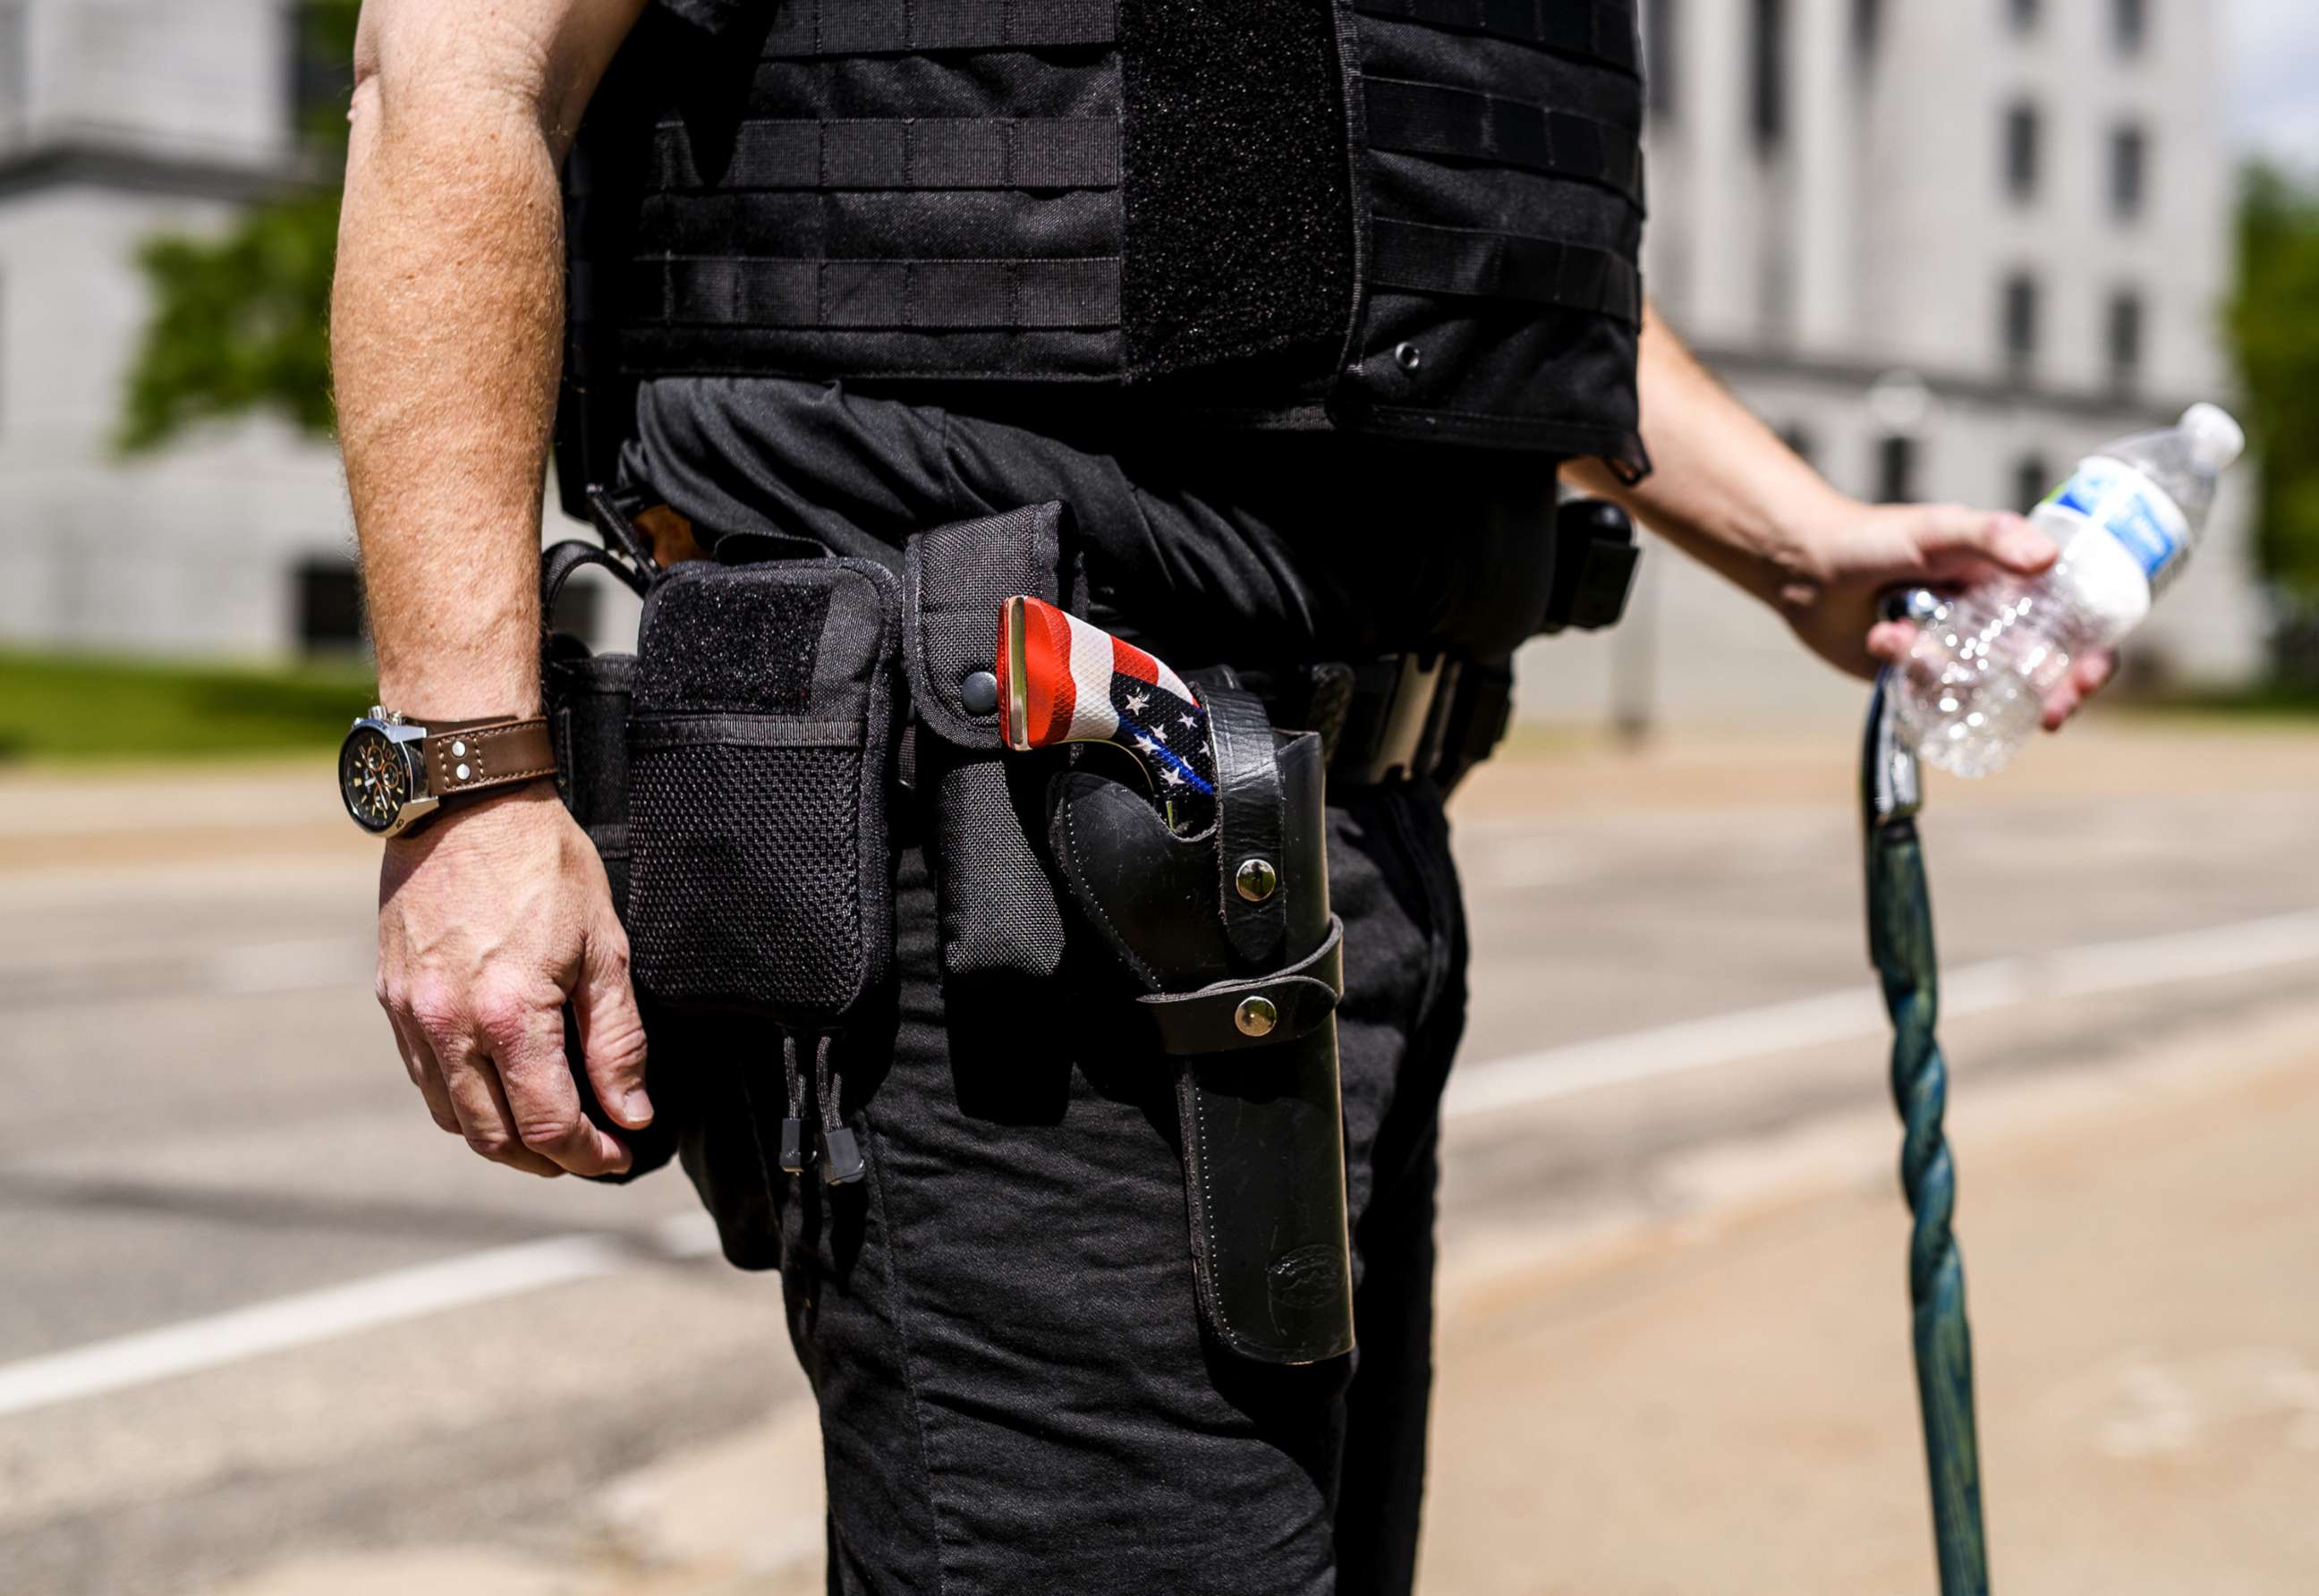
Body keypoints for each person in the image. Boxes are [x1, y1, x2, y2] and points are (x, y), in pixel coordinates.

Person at [333, 2, 2116, 1591]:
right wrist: (463, 773)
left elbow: (1421, 240)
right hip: (1019, 833)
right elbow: (452, 68)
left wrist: (1793, 536)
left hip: (1355, 833)